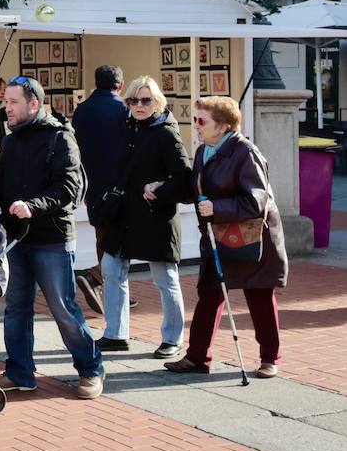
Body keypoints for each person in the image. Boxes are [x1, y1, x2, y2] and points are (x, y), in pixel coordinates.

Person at [0, 76, 104, 399]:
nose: (7, 109)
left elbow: (68, 190)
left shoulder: (60, 138)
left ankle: (91, 369)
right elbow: (0, 183)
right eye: (6, 103)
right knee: (15, 307)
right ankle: (20, 371)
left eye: (13, 103)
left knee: (61, 306)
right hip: (17, 239)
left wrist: (33, 206)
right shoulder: (11, 140)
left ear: (34, 104)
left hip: (52, 238)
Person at [166, 96, 287, 379]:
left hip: (252, 240)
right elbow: (196, 190)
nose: (195, 125)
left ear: (222, 126)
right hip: (217, 236)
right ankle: (197, 357)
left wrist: (217, 207)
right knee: (209, 294)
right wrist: (163, 189)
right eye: (195, 119)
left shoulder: (245, 153)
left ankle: (270, 358)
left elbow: (257, 200)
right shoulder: (204, 150)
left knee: (259, 297)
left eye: (201, 121)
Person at [96, 76, 190, 359]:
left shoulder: (166, 133)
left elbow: (184, 178)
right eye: (133, 100)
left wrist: (161, 188)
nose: (139, 105)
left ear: (157, 102)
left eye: (145, 100)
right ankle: (116, 333)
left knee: (165, 278)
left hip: (154, 216)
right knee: (112, 271)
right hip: (123, 215)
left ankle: (173, 338)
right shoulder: (126, 130)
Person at [70, 64, 127, 314]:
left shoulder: (82, 110)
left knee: (102, 235)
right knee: (117, 238)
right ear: (120, 85)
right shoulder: (122, 109)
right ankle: (97, 277)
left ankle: (108, 285)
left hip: (90, 182)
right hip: (117, 184)